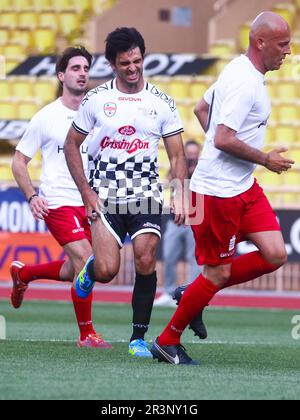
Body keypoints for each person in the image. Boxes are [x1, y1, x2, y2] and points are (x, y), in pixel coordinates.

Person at [151, 11, 294, 365]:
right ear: (260, 42)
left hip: (242, 187)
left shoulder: (239, 69)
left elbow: (203, 109)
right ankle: (167, 340)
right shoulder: (245, 82)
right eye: (283, 44)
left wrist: (233, 155)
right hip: (218, 193)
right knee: (218, 272)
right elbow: (222, 136)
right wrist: (263, 158)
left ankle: (194, 293)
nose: (288, 51)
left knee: (276, 254)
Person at [64, 27, 187, 358]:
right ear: (112, 64)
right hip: (104, 195)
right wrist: (86, 192)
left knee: (146, 257)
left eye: (137, 61)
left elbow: (177, 154)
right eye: (125, 63)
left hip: (146, 193)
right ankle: (89, 271)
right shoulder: (96, 99)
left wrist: (180, 194)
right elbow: (71, 145)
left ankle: (137, 338)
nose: (133, 68)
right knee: (106, 271)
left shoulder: (161, 102)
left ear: (143, 58)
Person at [11, 46, 112, 349]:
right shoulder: (47, 116)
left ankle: (23, 273)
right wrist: (31, 196)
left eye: (85, 68)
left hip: (89, 200)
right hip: (57, 199)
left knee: (76, 269)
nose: (82, 73)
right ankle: (87, 334)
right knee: (86, 260)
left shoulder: (95, 114)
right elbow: (18, 161)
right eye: (75, 68)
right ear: (61, 75)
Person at [154, 140, 202, 307]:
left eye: (194, 153)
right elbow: (168, 182)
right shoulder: (177, 167)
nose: (192, 156)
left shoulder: (202, 169)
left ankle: (191, 294)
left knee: (194, 259)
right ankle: (168, 292)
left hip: (195, 218)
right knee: (168, 256)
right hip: (176, 219)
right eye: (189, 153)